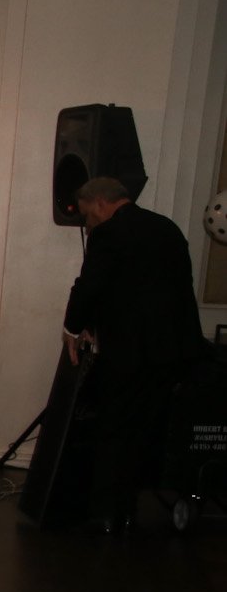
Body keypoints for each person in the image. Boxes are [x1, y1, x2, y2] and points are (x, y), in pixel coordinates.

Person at [62, 176, 207, 532]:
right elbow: (155, 288)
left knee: (114, 428)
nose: (88, 224)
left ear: (100, 203)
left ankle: (106, 514)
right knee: (148, 430)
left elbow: (92, 285)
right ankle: (130, 509)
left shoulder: (108, 233)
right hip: (176, 351)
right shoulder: (166, 228)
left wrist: (73, 327)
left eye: (87, 215)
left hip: (131, 351)